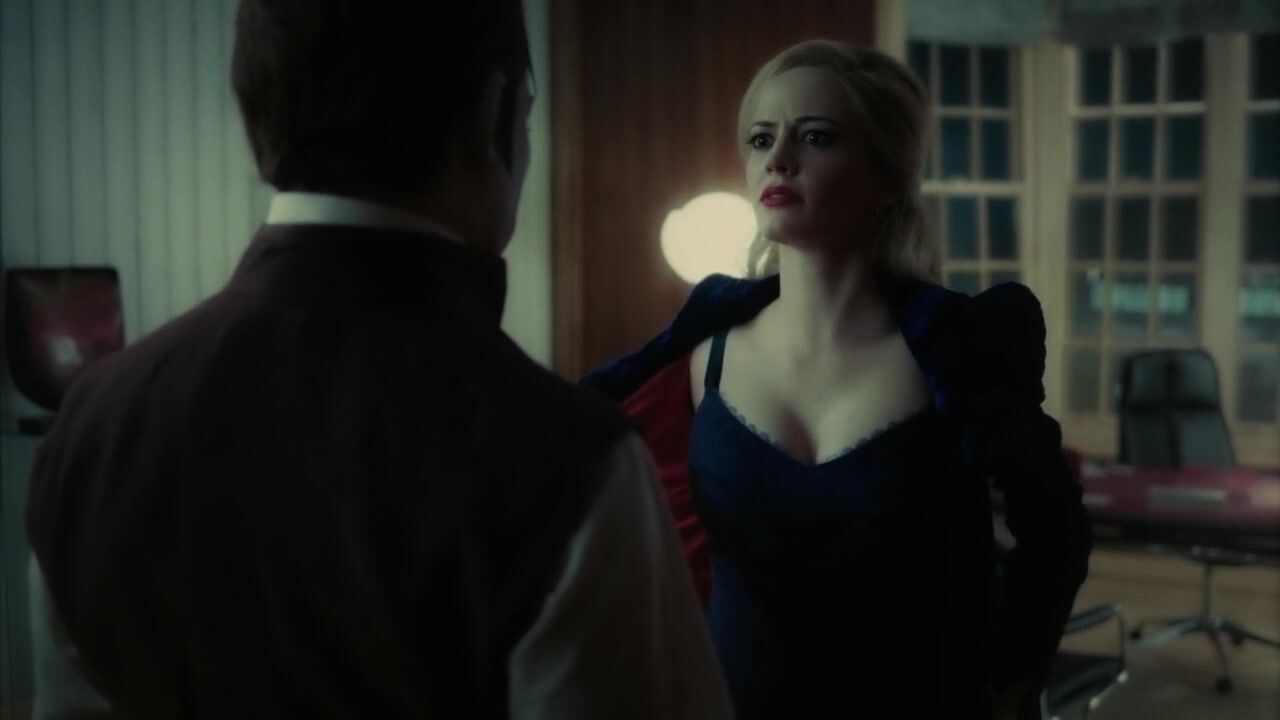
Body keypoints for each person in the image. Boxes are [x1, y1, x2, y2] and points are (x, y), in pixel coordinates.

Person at [24, 1, 732, 717]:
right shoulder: (568, 463)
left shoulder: (93, 427)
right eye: (525, 116)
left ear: (256, 124)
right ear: (493, 115)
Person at [583, 40, 1093, 719]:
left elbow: (1054, 529)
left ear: (886, 173)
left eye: (816, 137)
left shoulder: (957, 350)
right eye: (761, 138)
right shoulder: (707, 355)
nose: (778, 158)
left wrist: (1014, 683)